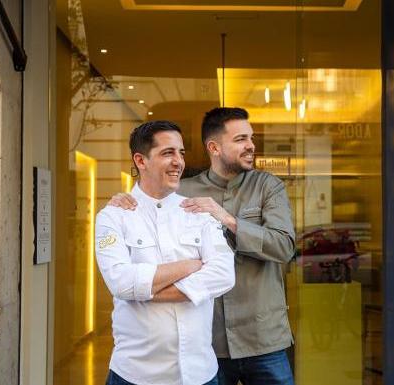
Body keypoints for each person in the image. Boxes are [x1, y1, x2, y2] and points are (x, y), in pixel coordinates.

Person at [109, 108, 296, 385]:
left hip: (263, 338)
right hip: (209, 343)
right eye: (241, 139)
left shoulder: (268, 187)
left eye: (251, 138)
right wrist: (122, 201)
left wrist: (228, 219)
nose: (251, 146)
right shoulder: (182, 191)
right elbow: (148, 197)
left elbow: (284, 246)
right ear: (214, 147)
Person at [95, 120, 235, 385]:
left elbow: (224, 274)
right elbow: (122, 283)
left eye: (181, 153)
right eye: (168, 153)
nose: (179, 161)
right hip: (136, 375)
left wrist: (146, 291)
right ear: (141, 160)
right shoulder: (113, 217)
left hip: (200, 373)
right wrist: (191, 265)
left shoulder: (199, 212)